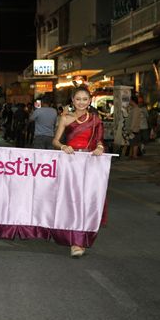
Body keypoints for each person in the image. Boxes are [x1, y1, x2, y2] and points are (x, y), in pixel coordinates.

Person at [52, 86, 106, 258]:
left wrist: (99, 147)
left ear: (89, 101)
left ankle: (79, 241)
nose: (81, 102)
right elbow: (55, 141)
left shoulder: (96, 119)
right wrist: (63, 146)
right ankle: (74, 240)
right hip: (70, 164)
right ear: (73, 101)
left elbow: (100, 141)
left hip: (90, 165)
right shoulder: (65, 118)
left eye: (85, 99)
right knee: (72, 201)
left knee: (86, 202)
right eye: (78, 99)